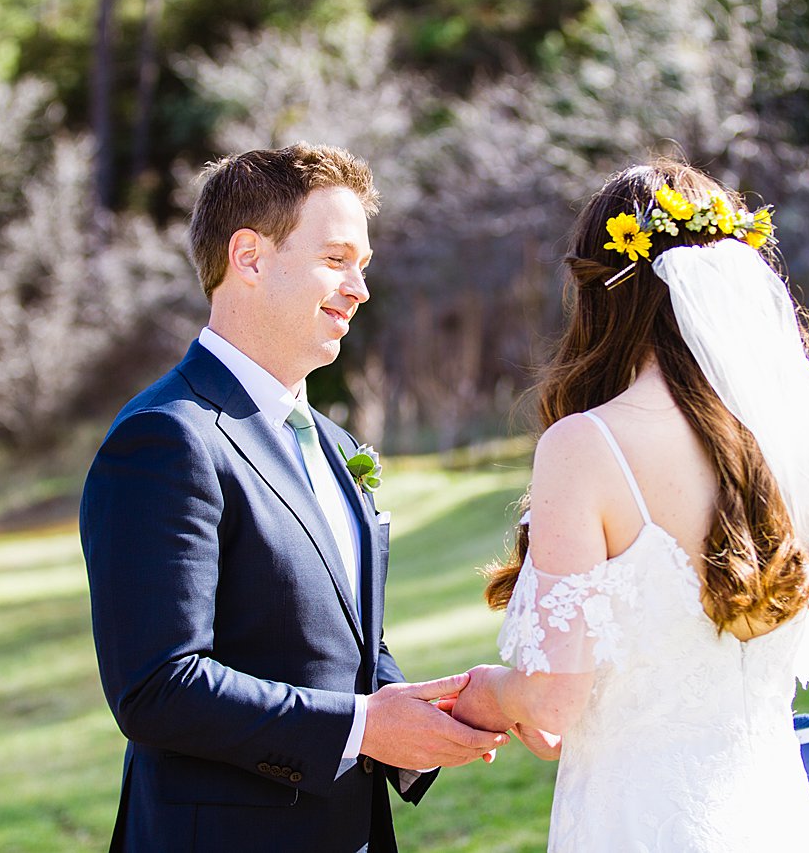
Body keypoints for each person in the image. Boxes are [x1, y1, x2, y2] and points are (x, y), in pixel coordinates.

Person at [451, 160, 809, 851]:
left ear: (604, 294)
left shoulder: (587, 445)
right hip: (777, 817)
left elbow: (551, 706)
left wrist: (491, 692)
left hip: (641, 824)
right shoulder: (780, 445)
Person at [80, 144, 507, 853]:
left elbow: (339, 643)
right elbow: (157, 686)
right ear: (249, 257)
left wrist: (447, 710)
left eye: (362, 265)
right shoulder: (167, 437)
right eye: (336, 259)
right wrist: (363, 725)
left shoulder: (337, 446)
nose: (359, 288)